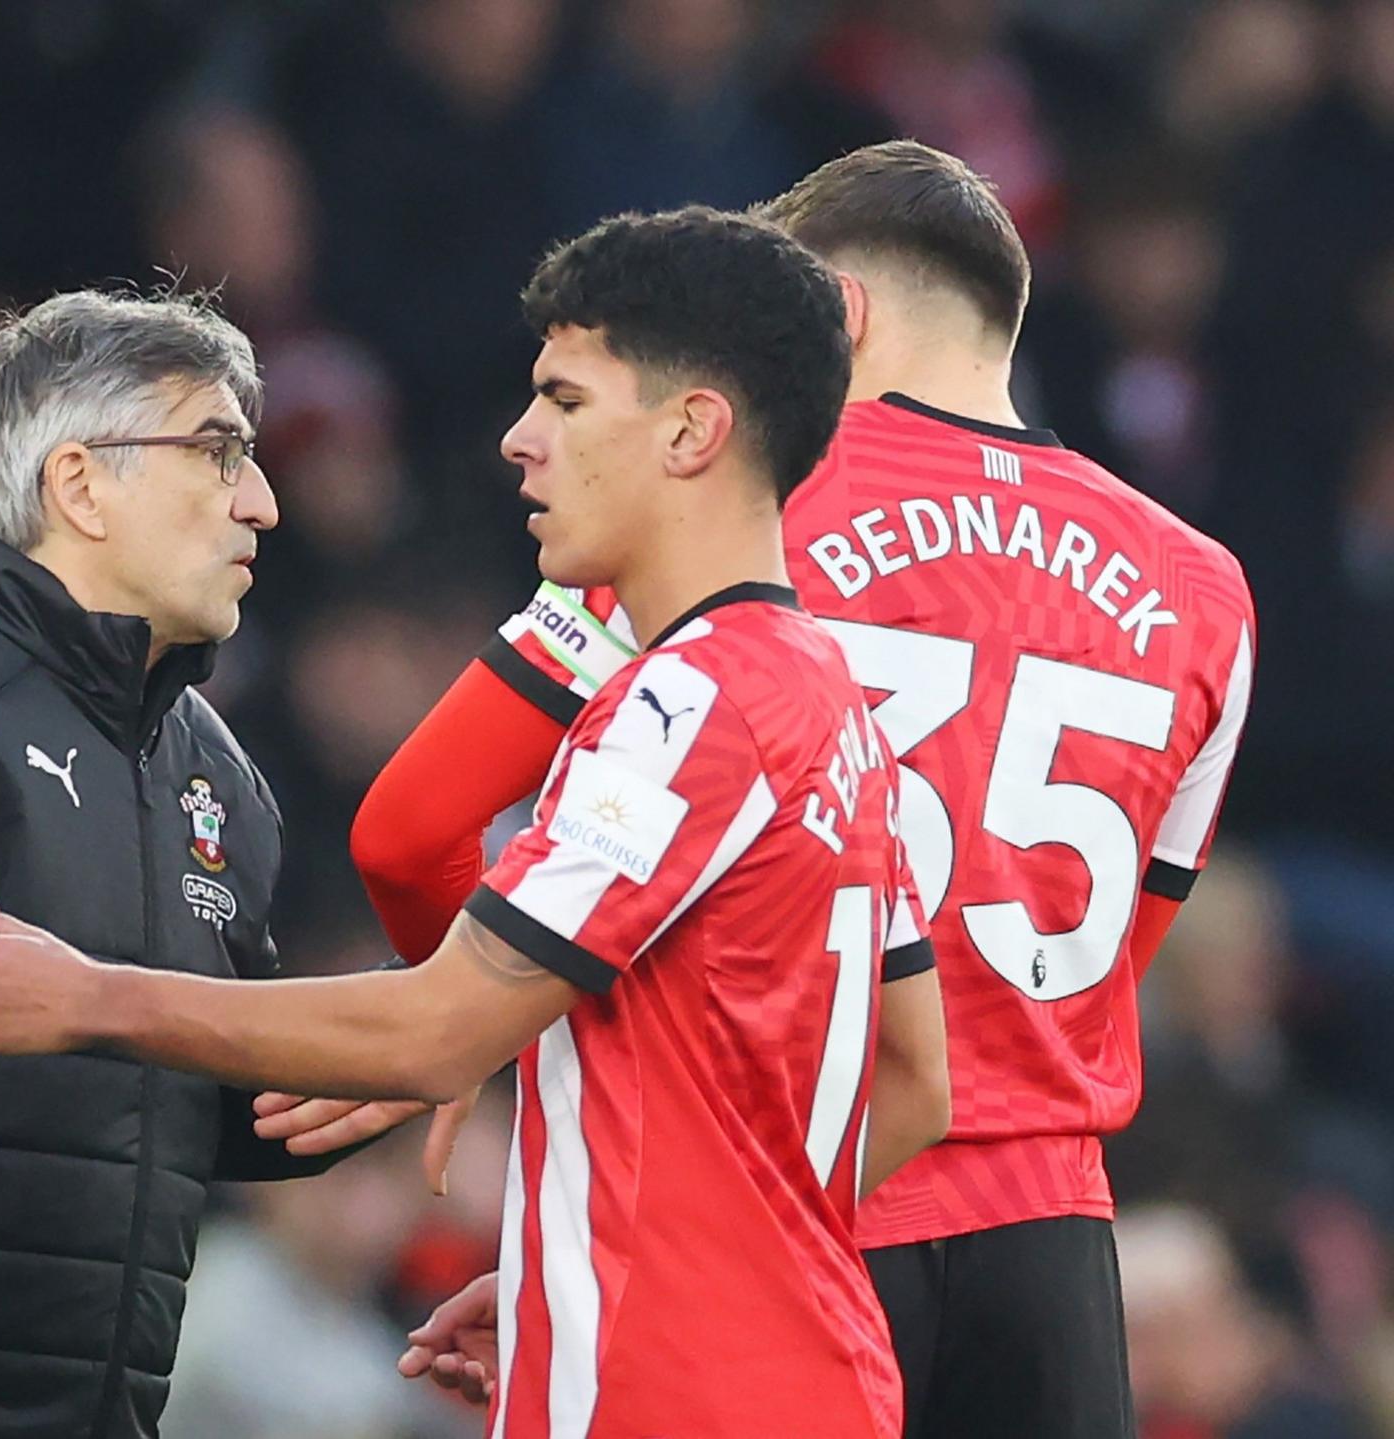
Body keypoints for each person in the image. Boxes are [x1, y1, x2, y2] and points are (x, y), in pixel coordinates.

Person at [0, 208, 950, 1438]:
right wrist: (582, 1268)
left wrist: (86, 995)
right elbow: (915, 1081)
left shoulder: (687, 701)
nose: (520, 439)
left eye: (563, 398)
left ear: (690, 431)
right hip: (810, 1380)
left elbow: (438, 1028)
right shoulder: (831, 698)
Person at [353, 142, 1259, 1439]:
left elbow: (409, 829)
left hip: (802, 1226)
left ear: (832, 313)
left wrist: (502, 1056)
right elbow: (1110, 969)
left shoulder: (728, 505)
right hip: (1055, 1257)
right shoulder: (1206, 591)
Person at [0, 288, 405, 1439]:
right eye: (217, 452)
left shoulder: (221, 775)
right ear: (78, 485)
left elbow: (193, 1107)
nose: (261, 501)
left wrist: (403, 1054)